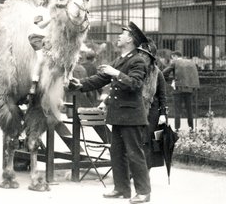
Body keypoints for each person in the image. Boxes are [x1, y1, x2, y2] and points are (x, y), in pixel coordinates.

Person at [68, 21, 151, 203]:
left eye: (123, 34)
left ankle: (144, 192)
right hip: (119, 116)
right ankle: (121, 189)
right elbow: (101, 78)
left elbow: (135, 84)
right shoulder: (121, 59)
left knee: (135, 154)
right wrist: (81, 84)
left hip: (132, 117)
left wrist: (116, 73)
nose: (119, 36)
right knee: (117, 153)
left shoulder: (138, 60)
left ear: (130, 39)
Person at [137, 38, 167, 169]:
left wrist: (163, 114)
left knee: (147, 141)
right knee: (135, 140)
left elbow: (162, 96)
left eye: (144, 54)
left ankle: (145, 170)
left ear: (150, 57)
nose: (141, 56)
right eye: (140, 53)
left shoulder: (157, 73)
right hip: (136, 110)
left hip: (152, 112)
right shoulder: (136, 71)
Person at [28, 0, 58, 96]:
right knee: (41, 59)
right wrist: (51, 18)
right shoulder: (39, 10)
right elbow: (40, 25)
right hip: (36, 36)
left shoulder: (53, 11)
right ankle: (34, 82)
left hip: (48, 39)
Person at [162, 50, 200, 132]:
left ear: (175, 56)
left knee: (177, 109)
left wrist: (169, 81)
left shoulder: (175, 63)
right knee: (189, 109)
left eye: (172, 58)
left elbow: (164, 72)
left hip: (178, 89)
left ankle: (177, 128)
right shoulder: (191, 63)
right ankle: (191, 127)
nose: (172, 60)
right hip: (189, 89)